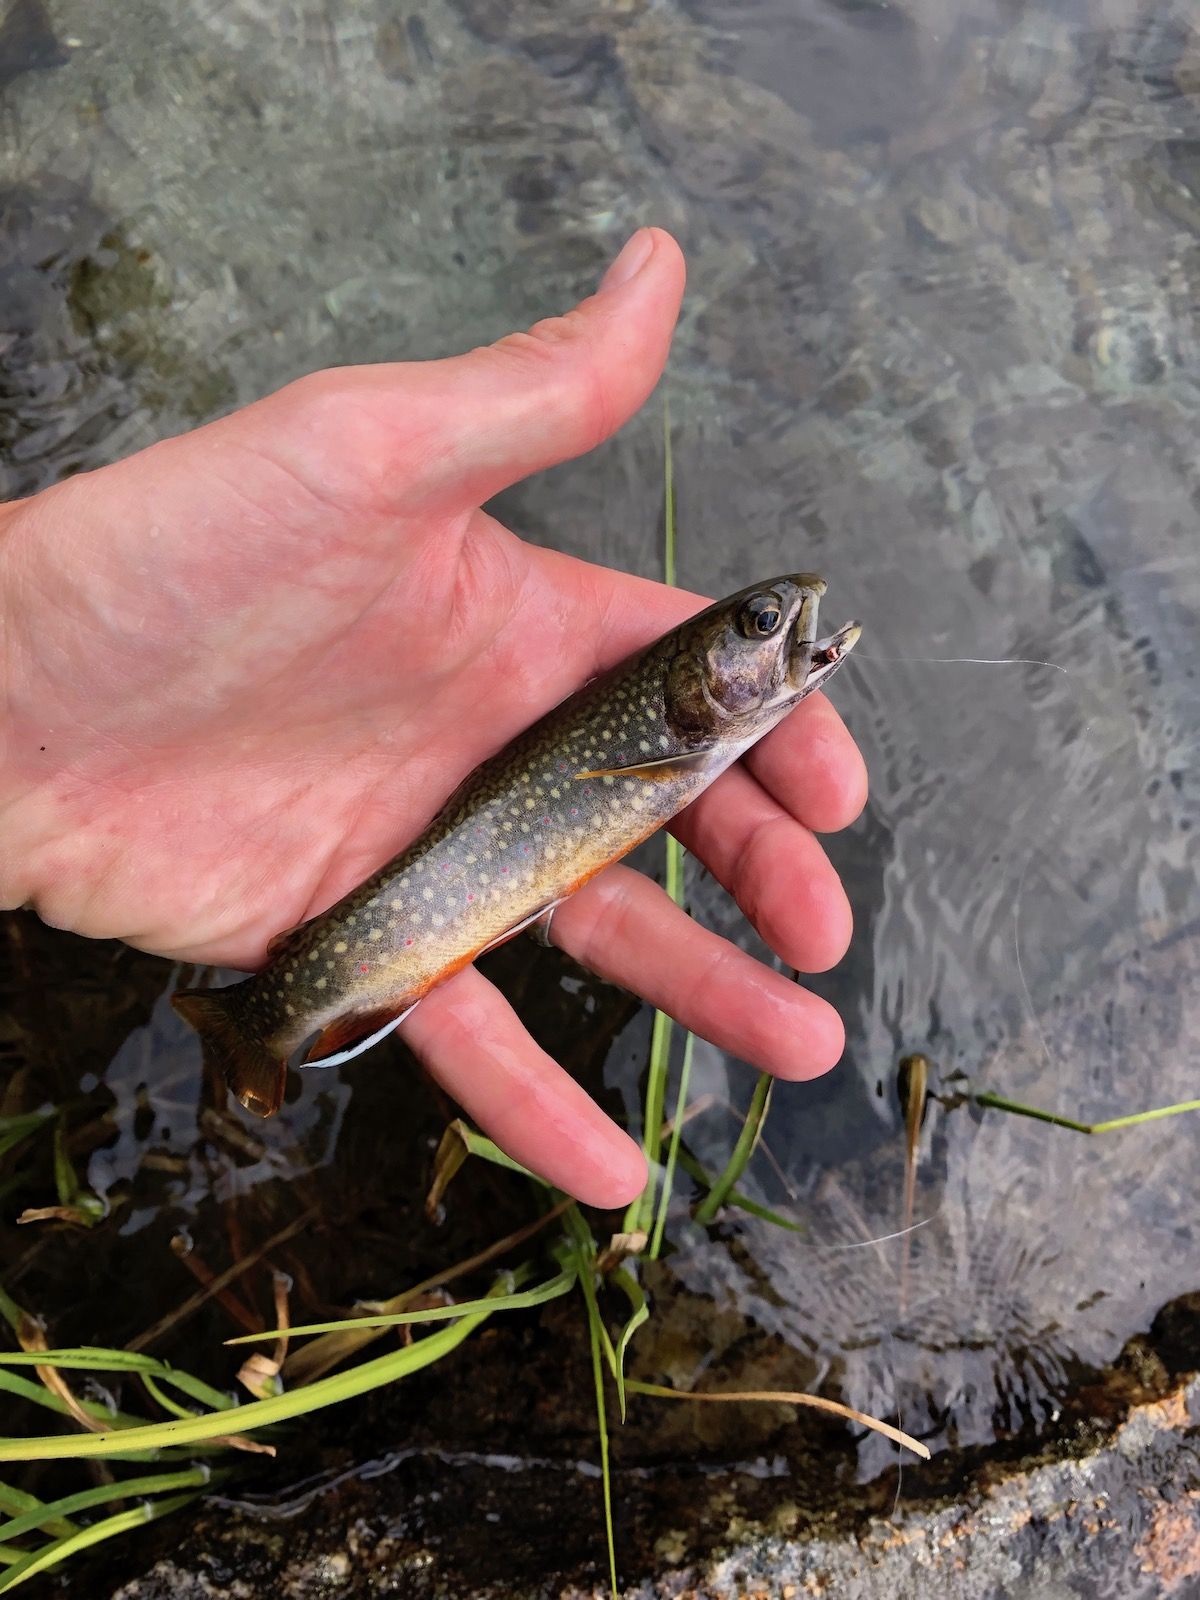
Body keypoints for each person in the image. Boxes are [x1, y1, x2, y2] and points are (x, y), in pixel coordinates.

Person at [0, 229, 866, 1208]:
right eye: (761, 625)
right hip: (450, 885)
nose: (783, 621)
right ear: (690, 678)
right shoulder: (675, 737)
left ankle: (265, 1017)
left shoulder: (675, 737)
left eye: (763, 623)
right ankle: (267, 1017)